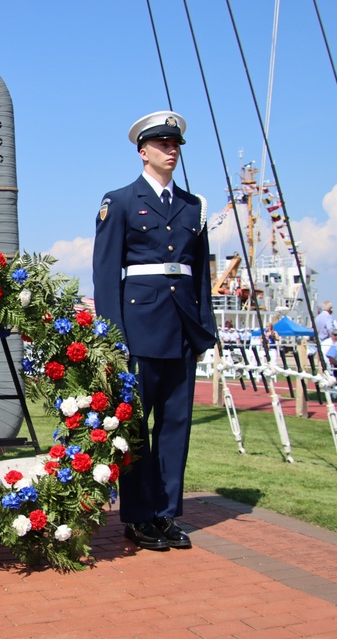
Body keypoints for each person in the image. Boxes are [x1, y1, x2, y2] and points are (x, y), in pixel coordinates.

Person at [93, 110, 216, 551]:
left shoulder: (192, 206)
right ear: (143, 152)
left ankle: (165, 514)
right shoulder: (120, 201)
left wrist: (205, 330)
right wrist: (112, 335)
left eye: (176, 145)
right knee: (137, 427)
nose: (171, 151)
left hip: (182, 326)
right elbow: (105, 274)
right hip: (139, 325)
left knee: (176, 423)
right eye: (163, 144)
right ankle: (139, 517)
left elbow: (200, 273)